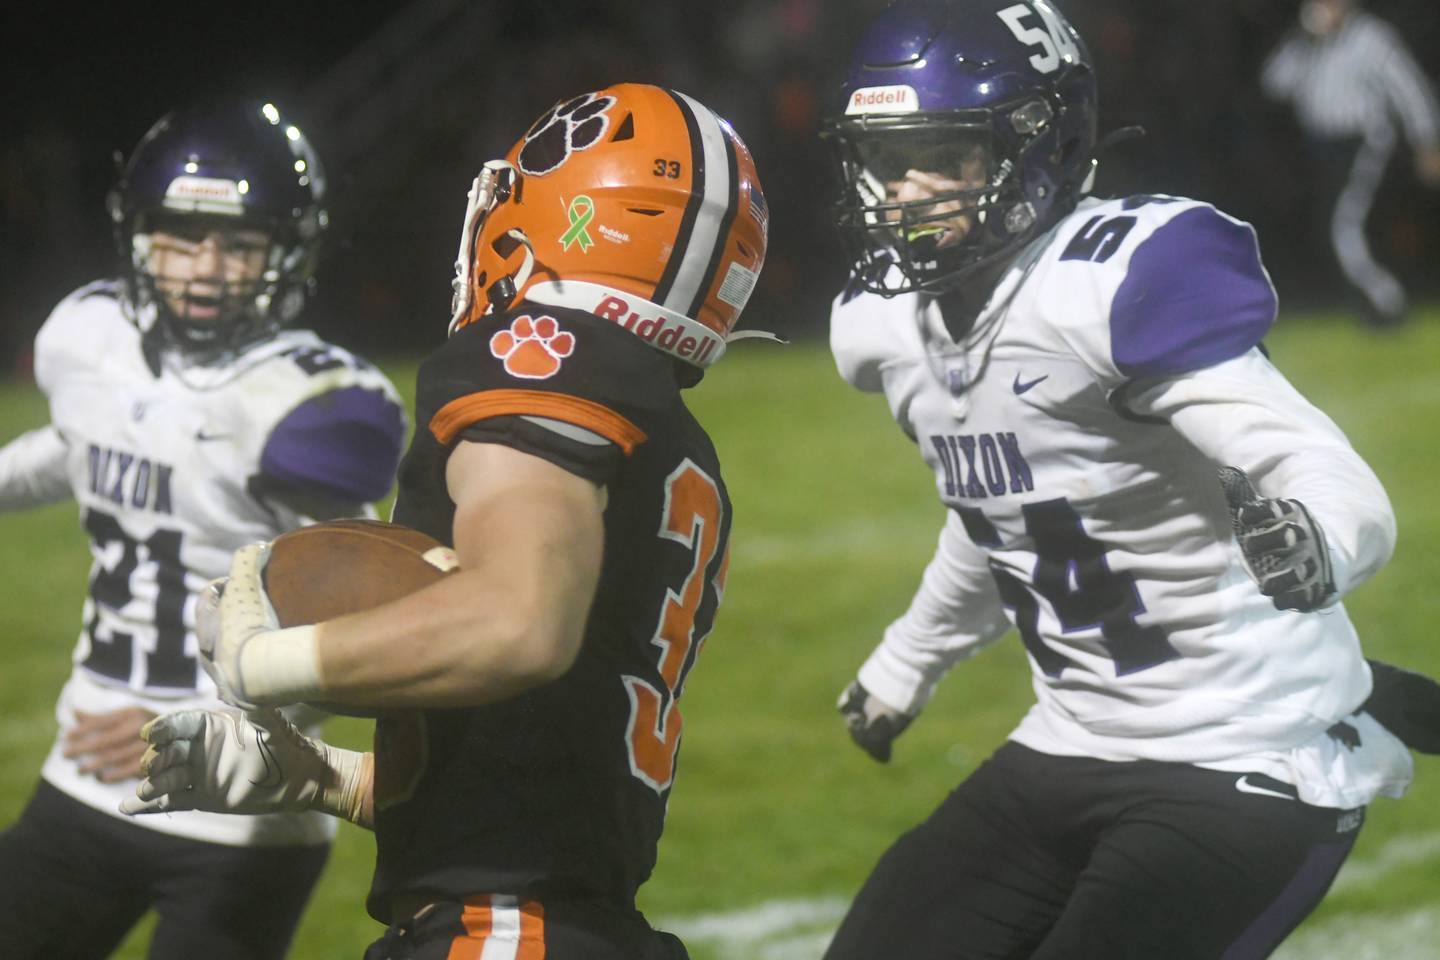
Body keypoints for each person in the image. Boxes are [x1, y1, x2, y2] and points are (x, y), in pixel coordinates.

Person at [818, 1, 1425, 957]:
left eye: (946, 154)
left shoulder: (1103, 284)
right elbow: (999, 514)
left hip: (1244, 752)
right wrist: (905, 663)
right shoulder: (886, 330)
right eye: (890, 160)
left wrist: (1320, 541)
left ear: (1035, 147)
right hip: (1075, 738)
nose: (909, 190)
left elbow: (1309, 459)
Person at [121, 82, 769, 960]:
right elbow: (551, 753)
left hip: (505, 937)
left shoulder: (542, 361)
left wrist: (264, 662)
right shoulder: (670, 439)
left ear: (563, 216)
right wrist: (326, 777)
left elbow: (516, 625)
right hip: (559, 926)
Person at [0, 100, 407, 959]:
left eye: (238, 245)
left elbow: (357, 613)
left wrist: (187, 717)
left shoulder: (303, 404)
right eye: (182, 238)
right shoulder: (90, 338)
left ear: (285, 253)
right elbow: (78, 448)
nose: (205, 269)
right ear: (140, 238)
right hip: (82, 779)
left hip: (240, 811)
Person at [1262, 0, 1440, 327]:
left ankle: (1389, 305)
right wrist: (1304, 40)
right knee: (1337, 225)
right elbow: (1275, 84)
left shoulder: (1372, 37)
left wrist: (1427, 141)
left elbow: (1409, 88)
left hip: (1365, 141)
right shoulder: (1308, 44)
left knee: (1344, 225)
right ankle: (1368, 303)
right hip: (1322, 147)